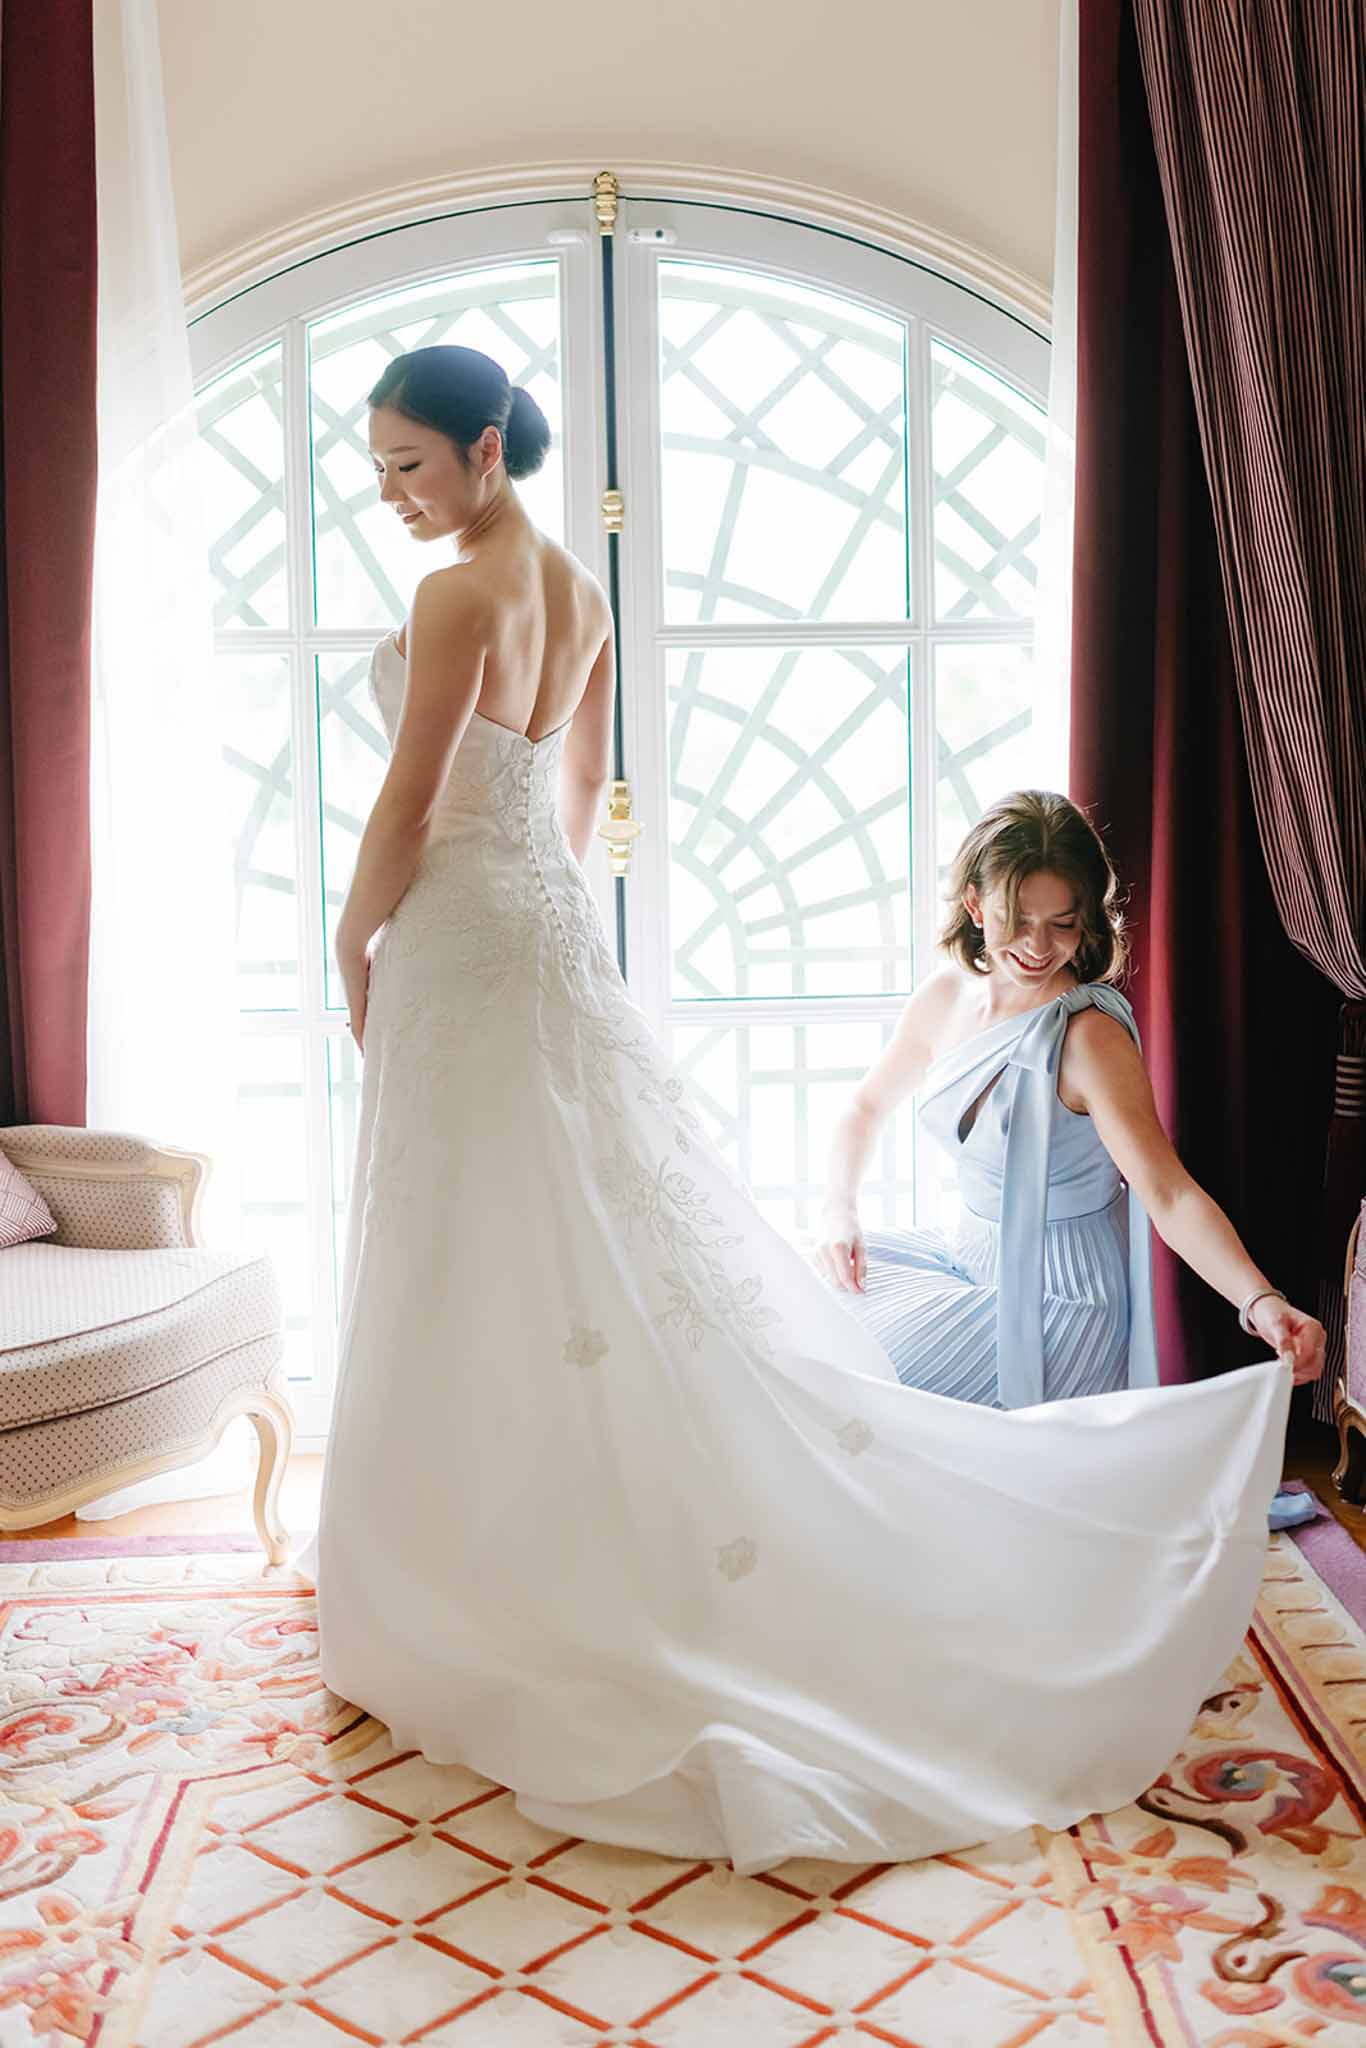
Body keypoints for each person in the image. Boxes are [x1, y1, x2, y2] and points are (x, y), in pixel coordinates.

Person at [306, 342, 1296, 1879]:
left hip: (455, 934)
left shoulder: (458, 594)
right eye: (374, 468)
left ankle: (468, 1564)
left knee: (466, 1234)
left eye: (406, 464)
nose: (388, 494)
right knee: (573, 1235)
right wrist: (543, 915)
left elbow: (409, 800)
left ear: (486, 446)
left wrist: (350, 937)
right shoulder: (577, 592)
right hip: (539, 936)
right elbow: (574, 797)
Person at [816, 792, 1325, 1418]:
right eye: (1017, 920)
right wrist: (839, 1212)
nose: (1038, 946)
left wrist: (1260, 1301)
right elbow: (862, 1109)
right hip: (968, 1258)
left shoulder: (1088, 1038)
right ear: (975, 904)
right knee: (793, 1296)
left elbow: (1168, 1193)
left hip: (1061, 1297)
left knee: (848, 1373)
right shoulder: (946, 996)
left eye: (1063, 922)